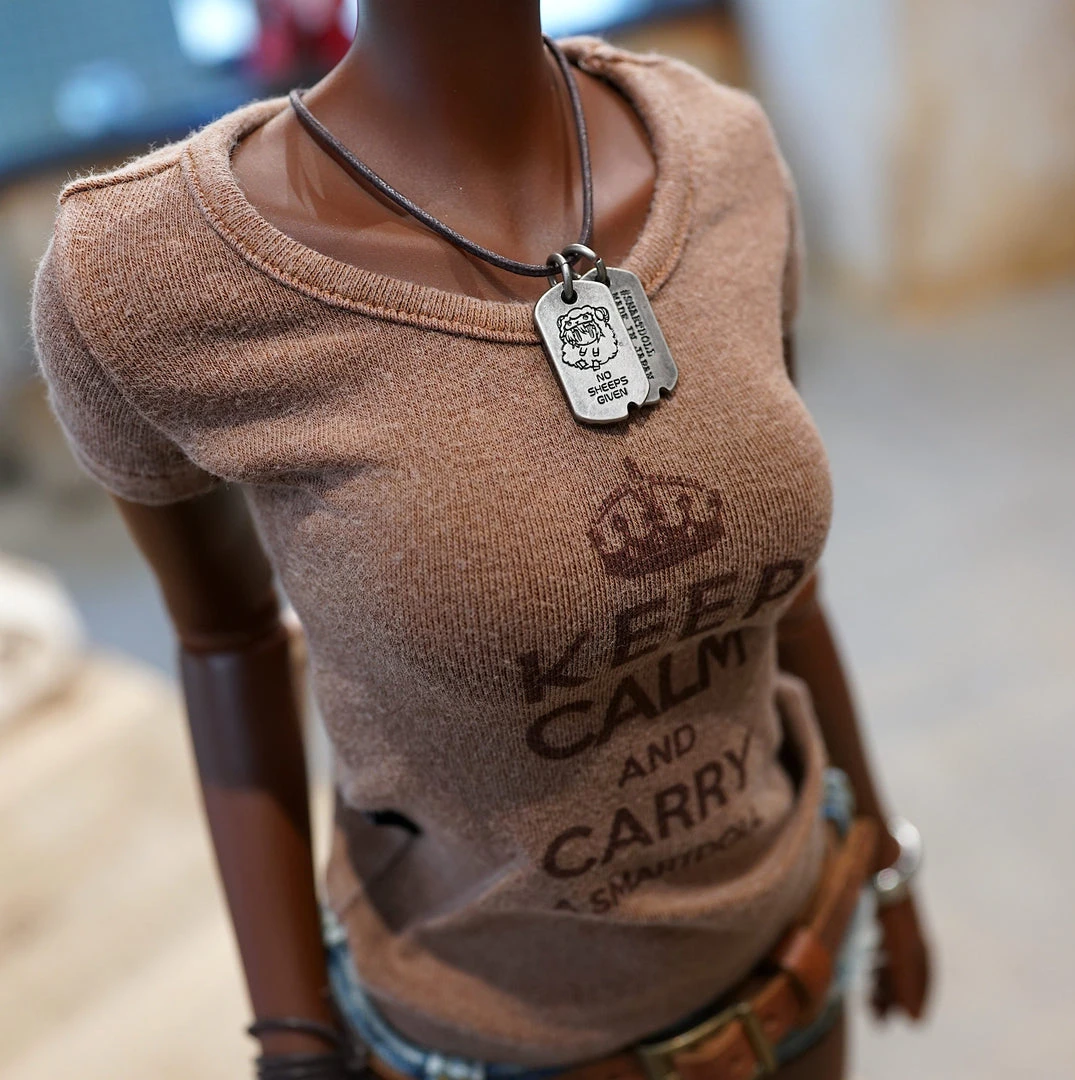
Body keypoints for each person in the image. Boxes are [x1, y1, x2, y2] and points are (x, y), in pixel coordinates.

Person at [30, 3, 930, 1078]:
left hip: (799, 964)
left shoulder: (720, 146)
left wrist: (881, 858)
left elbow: (786, 591)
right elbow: (227, 643)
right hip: (484, 1039)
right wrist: (293, 1037)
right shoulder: (148, 275)